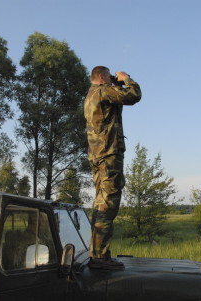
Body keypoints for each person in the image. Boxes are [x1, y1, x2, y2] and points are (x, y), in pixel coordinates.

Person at [84, 66, 142, 269]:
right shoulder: (102, 90)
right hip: (109, 155)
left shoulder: (92, 94)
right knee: (108, 205)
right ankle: (100, 258)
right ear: (101, 76)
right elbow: (133, 95)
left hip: (98, 155)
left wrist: (114, 82)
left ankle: (97, 253)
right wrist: (127, 79)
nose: (111, 79)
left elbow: (114, 105)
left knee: (100, 204)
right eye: (108, 76)